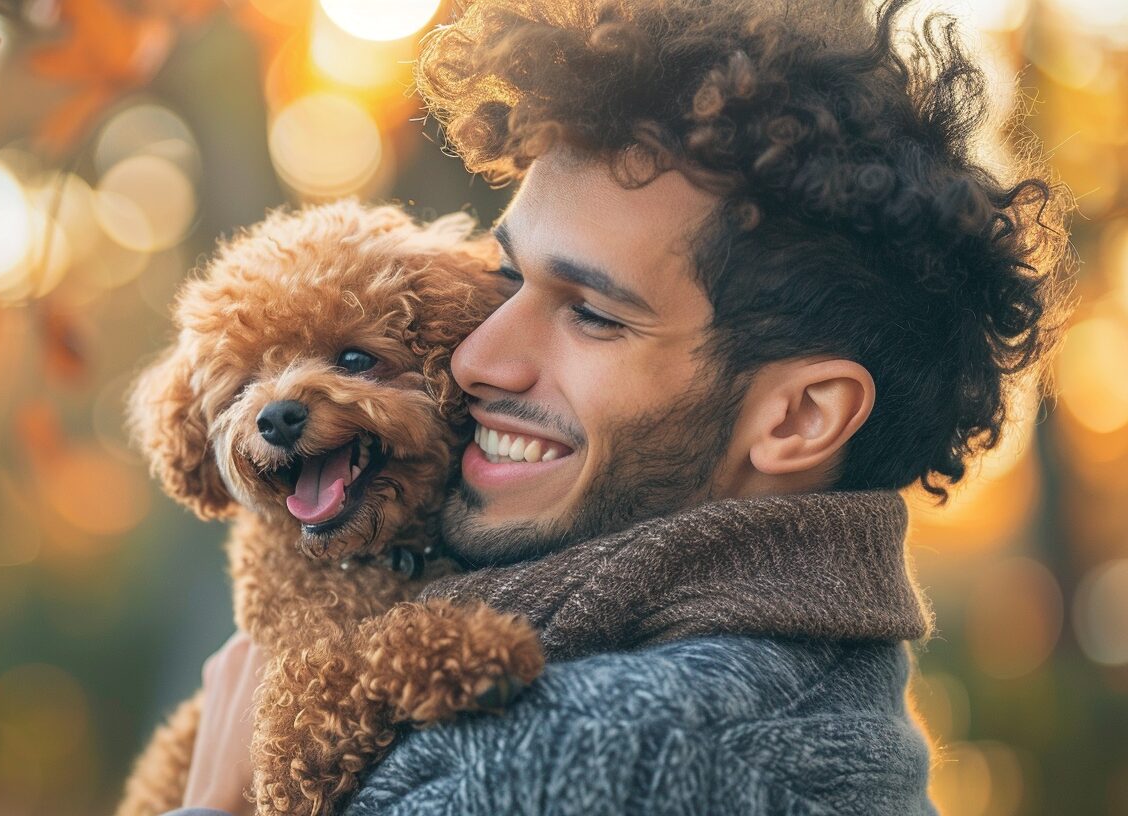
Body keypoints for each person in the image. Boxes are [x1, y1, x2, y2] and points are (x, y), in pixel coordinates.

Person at [163, 0, 1071, 812]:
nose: (475, 356)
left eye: (593, 314)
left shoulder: (576, 753)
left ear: (798, 419)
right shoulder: (826, 691)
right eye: (507, 276)